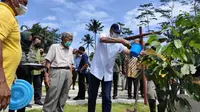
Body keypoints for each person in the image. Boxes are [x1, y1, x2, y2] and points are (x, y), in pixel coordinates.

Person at [88, 23, 135, 112]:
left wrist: (139, 52)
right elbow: (103, 39)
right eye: (115, 32)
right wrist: (120, 40)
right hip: (96, 71)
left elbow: (127, 51)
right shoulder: (103, 34)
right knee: (92, 97)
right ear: (110, 31)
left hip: (108, 74)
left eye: (118, 33)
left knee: (107, 97)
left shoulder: (119, 45)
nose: (117, 34)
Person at [0, 0, 28, 111]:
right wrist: (1, 82)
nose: (25, 7)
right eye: (24, 3)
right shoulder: (4, 12)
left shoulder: (8, 15)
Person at [43, 32, 74, 112]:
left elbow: (70, 64)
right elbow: (48, 62)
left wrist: (70, 77)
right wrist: (46, 76)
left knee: (64, 95)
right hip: (57, 71)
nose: (70, 41)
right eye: (69, 39)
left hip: (67, 72)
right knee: (53, 94)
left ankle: (59, 110)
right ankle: (48, 110)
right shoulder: (55, 47)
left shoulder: (70, 49)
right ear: (63, 39)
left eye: (71, 39)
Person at [28, 39, 43, 106]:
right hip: (30, 71)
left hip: (38, 71)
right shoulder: (29, 48)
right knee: (28, 87)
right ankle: (26, 102)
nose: (39, 42)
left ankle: (37, 100)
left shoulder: (39, 50)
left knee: (38, 86)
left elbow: (41, 59)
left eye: (40, 41)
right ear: (34, 41)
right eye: (38, 41)